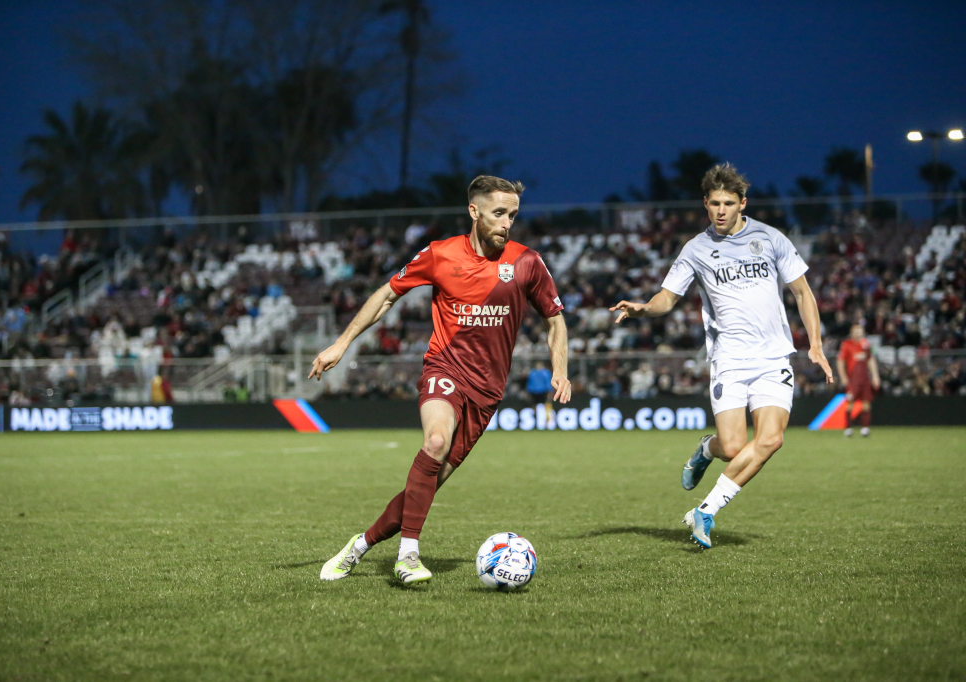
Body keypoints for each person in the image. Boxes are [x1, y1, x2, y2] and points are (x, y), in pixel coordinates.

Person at [313, 175, 571, 584]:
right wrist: (341, 344)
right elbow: (387, 294)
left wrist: (561, 369)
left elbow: (554, 319)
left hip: (487, 392)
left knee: (427, 486)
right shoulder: (440, 254)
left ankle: (358, 546)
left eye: (513, 215)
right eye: (499, 213)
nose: (507, 223)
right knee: (434, 442)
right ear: (474, 211)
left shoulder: (526, 262)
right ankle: (408, 556)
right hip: (444, 369)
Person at [610, 163, 833, 549]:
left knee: (771, 439)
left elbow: (802, 292)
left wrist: (815, 344)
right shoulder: (696, 249)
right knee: (731, 447)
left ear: (743, 203)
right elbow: (668, 298)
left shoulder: (771, 238)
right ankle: (706, 448)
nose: (721, 211)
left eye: (729, 203)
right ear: (705, 204)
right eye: (714, 204)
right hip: (729, 358)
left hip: (772, 358)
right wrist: (643, 308)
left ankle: (706, 510)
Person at [836, 324, 880, 436]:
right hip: (853, 379)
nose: (859, 334)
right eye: (856, 331)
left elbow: (870, 359)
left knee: (866, 403)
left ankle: (865, 428)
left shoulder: (866, 344)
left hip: (865, 378)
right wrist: (843, 377)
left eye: (860, 331)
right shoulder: (846, 344)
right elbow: (840, 361)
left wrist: (875, 375)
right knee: (850, 402)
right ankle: (848, 428)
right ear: (852, 333)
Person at [526, 361, 554, 428]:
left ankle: (548, 422)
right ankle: (535, 421)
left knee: (546, 406)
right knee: (534, 407)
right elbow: (529, 383)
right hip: (534, 392)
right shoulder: (532, 373)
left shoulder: (545, 373)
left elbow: (548, 382)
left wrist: (549, 391)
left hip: (543, 392)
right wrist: (528, 391)